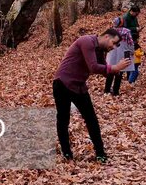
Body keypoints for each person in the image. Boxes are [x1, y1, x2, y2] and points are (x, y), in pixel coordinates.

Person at [53, 29, 130, 163]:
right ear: (106, 36)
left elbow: (104, 68)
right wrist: (114, 68)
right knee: (63, 118)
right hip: (62, 83)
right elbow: (93, 67)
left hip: (78, 85)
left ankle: (100, 153)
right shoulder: (86, 41)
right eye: (113, 43)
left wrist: (118, 70)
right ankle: (66, 153)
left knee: (91, 119)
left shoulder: (100, 50)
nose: (113, 47)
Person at [104, 17, 135, 96]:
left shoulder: (110, 31)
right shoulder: (126, 31)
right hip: (122, 53)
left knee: (110, 71)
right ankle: (116, 91)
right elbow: (130, 43)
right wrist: (132, 51)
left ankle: (107, 90)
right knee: (119, 72)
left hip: (111, 53)